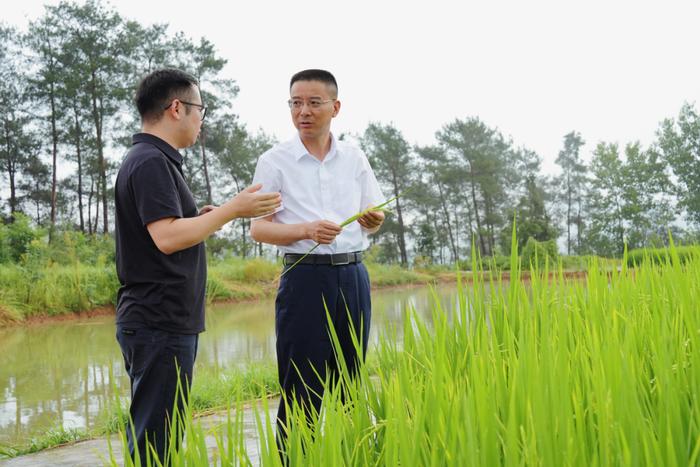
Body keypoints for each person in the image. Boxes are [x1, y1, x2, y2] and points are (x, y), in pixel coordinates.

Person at [114, 68, 281, 463]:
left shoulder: (151, 159)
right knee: (156, 443)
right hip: (159, 320)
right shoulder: (152, 161)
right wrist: (230, 210)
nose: (201, 119)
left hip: (158, 319)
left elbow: (167, 229)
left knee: (158, 434)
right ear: (177, 108)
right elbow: (168, 237)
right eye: (200, 109)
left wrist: (208, 215)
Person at [250, 69, 386, 445]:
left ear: (335, 107)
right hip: (303, 279)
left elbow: (372, 216)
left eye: (313, 102)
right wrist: (304, 230)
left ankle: (351, 452)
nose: (303, 111)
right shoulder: (275, 160)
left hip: (353, 276)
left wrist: (374, 219)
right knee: (301, 385)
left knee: (350, 380)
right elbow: (259, 229)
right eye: (296, 103)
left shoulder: (355, 157)